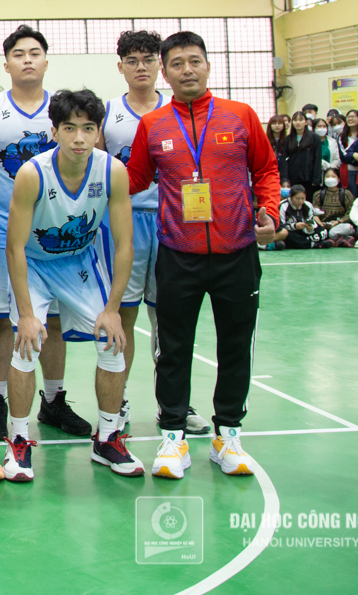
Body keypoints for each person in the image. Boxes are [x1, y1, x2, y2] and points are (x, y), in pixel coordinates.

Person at [124, 31, 279, 481]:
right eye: (177, 64)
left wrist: (268, 210)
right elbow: (133, 179)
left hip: (237, 253)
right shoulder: (153, 125)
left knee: (236, 347)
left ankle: (227, 434)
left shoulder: (241, 115)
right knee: (173, 349)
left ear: (207, 65)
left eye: (194, 61)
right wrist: (84, 174)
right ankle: (173, 437)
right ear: (165, 73)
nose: (186, 70)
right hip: (178, 254)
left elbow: (266, 169)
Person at [0, 89, 139, 481]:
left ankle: (108, 438)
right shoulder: (33, 174)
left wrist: (112, 309)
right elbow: (13, 248)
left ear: (98, 132)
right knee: (27, 346)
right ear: (55, 131)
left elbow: (124, 244)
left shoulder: (111, 171)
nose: (79, 138)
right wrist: (27, 314)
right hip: (35, 264)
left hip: (79, 262)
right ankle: (19, 440)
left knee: (112, 343)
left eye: (88, 129)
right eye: (70, 128)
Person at [0, 25, 88, 442]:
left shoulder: (65, 113)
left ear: (46, 60)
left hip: (56, 233)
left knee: (52, 320)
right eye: (18, 54)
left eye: (35, 52)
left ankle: (53, 400)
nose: (27, 59)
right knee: (3, 320)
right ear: (6, 64)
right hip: (5, 231)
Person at [99, 30, 212, 434]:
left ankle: (173, 405)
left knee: (170, 320)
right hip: (124, 226)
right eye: (133, 60)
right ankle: (119, 400)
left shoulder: (179, 111)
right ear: (121, 67)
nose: (141, 67)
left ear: (159, 66)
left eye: (149, 59)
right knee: (122, 317)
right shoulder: (108, 114)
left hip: (173, 224)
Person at [311, 167, 357, 244]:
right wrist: (320, 224)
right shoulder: (318, 194)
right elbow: (315, 212)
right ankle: (340, 240)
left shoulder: (346, 194)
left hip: (341, 224)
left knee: (333, 232)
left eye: (333, 176)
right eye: (327, 176)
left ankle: (336, 239)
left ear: (338, 179)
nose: (330, 179)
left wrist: (338, 221)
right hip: (324, 225)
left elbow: (351, 212)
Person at [283, 112, 323, 192]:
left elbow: (318, 159)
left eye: (301, 120)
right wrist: (285, 179)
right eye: (295, 120)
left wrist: (316, 179)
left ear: (306, 122)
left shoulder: (314, 137)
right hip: (293, 177)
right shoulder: (289, 139)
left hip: (309, 178)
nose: (298, 122)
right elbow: (284, 160)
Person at [276, 185, 322, 249]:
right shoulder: (283, 206)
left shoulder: (308, 205)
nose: (300, 201)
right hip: (290, 232)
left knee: (323, 230)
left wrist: (309, 229)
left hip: (303, 232)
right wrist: (294, 226)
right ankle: (312, 243)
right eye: (297, 198)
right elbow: (281, 226)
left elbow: (311, 222)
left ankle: (308, 241)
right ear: (291, 197)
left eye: (303, 198)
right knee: (287, 235)